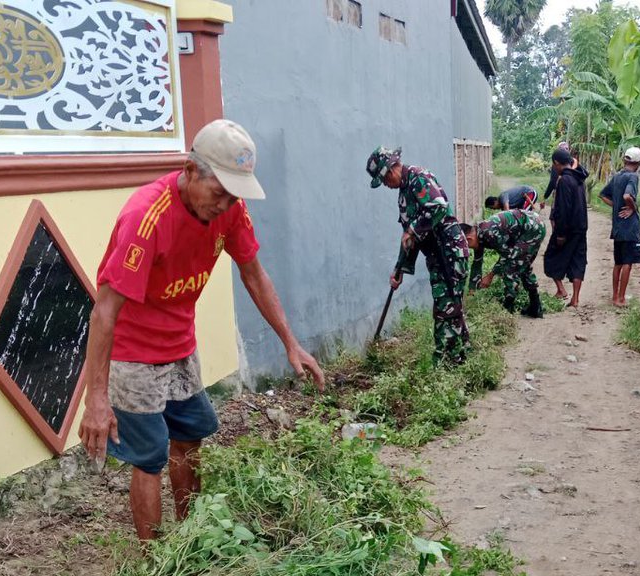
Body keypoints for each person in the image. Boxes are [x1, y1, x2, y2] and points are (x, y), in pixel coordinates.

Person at [79, 119, 325, 541]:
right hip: (133, 355)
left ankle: (191, 537)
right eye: (220, 193)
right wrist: (96, 397)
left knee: (190, 436)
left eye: (235, 196)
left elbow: (254, 275)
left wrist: (291, 343)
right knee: (150, 457)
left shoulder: (230, 211)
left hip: (180, 347)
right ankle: (154, 565)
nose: (226, 204)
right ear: (190, 171)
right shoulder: (145, 218)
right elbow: (103, 312)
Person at [367, 146, 470, 365]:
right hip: (437, 255)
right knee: (448, 304)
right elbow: (409, 239)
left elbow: (437, 207)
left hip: (450, 251)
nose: (385, 185)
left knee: (447, 307)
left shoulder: (418, 178)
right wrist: (399, 269)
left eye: (384, 180)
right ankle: (462, 353)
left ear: (391, 169)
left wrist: (412, 229)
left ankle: (447, 363)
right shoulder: (404, 194)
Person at [463, 207, 546, 318]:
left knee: (511, 267)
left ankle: (507, 310)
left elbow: (507, 255)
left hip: (532, 227)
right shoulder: (479, 235)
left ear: (469, 239)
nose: (468, 249)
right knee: (522, 265)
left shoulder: (488, 233)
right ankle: (536, 307)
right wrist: (472, 290)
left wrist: (490, 275)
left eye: (466, 246)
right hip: (524, 230)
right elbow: (477, 263)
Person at [542, 146, 589, 309]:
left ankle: (561, 290)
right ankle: (575, 299)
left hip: (567, 230)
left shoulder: (564, 181)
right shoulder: (579, 178)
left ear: (556, 163)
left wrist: (560, 234)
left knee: (550, 257)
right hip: (581, 228)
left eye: (553, 164)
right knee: (578, 261)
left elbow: (563, 209)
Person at [600, 147, 640, 307]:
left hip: (617, 227)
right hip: (629, 227)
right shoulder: (633, 177)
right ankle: (621, 298)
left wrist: (616, 206)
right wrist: (631, 207)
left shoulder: (617, 176)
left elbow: (603, 195)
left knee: (618, 262)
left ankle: (615, 296)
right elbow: (627, 195)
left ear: (625, 160)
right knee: (628, 262)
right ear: (638, 162)